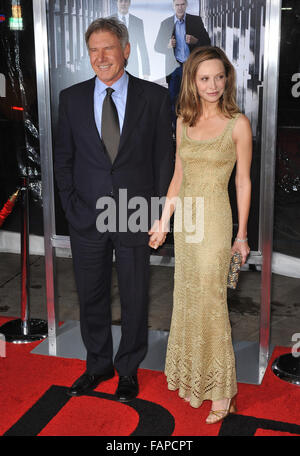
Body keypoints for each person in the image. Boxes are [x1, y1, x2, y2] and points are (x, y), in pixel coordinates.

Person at [54, 17, 173, 402]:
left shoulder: (153, 98)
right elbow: (63, 159)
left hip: (135, 211)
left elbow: (163, 160)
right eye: (93, 50)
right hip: (86, 214)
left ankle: (128, 370)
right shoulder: (70, 99)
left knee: (136, 295)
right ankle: (98, 365)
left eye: (108, 48)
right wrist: (71, 205)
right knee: (90, 294)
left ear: (126, 49)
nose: (101, 57)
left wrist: (157, 213)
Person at [149, 46, 252, 423]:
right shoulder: (183, 120)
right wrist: (163, 220)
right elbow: (178, 177)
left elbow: (242, 181)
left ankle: (224, 392)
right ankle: (195, 381)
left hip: (216, 224)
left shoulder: (237, 123)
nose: (213, 85)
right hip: (187, 223)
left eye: (219, 77)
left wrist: (241, 235)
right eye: (204, 78)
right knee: (189, 298)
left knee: (212, 302)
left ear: (228, 79)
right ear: (193, 80)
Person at [154, 0, 210, 128]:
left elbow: (208, 43)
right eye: (177, 5)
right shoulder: (166, 23)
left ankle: (194, 129)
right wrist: (167, 45)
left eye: (182, 4)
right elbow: (157, 47)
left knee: (194, 99)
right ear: (173, 6)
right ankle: (177, 130)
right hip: (174, 68)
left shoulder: (195, 21)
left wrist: (196, 41)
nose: (180, 8)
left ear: (186, 5)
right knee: (174, 100)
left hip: (192, 67)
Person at [114, 0, 150, 79]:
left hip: (133, 67)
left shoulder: (138, 22)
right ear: (117, 3)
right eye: (121, 1)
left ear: (129, 3)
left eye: (126, 1)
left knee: (133, 90)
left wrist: (146, 72)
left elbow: (142, 47)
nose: (123, 4)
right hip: (113, 66)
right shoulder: (109, 21)